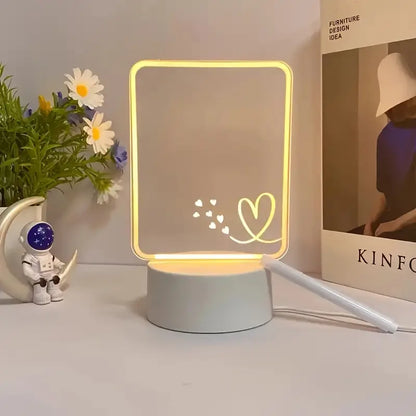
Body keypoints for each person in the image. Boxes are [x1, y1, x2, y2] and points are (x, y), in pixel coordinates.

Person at [360, 52, 416, 241]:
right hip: (394, 224)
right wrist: (370, 223)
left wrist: (396, 224)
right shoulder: (385, 136)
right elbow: (386, 194)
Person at [19, 221, 65, 305]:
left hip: (49, 274)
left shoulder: (48, 254)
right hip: (37, 277)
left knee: (54, 279)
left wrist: (59, 264)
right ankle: (39, 295)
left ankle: (54, 291)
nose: (43, 238)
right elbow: (26, 270)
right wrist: (35, 276)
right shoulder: (29, 256)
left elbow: (54, 260)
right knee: (41, 283)